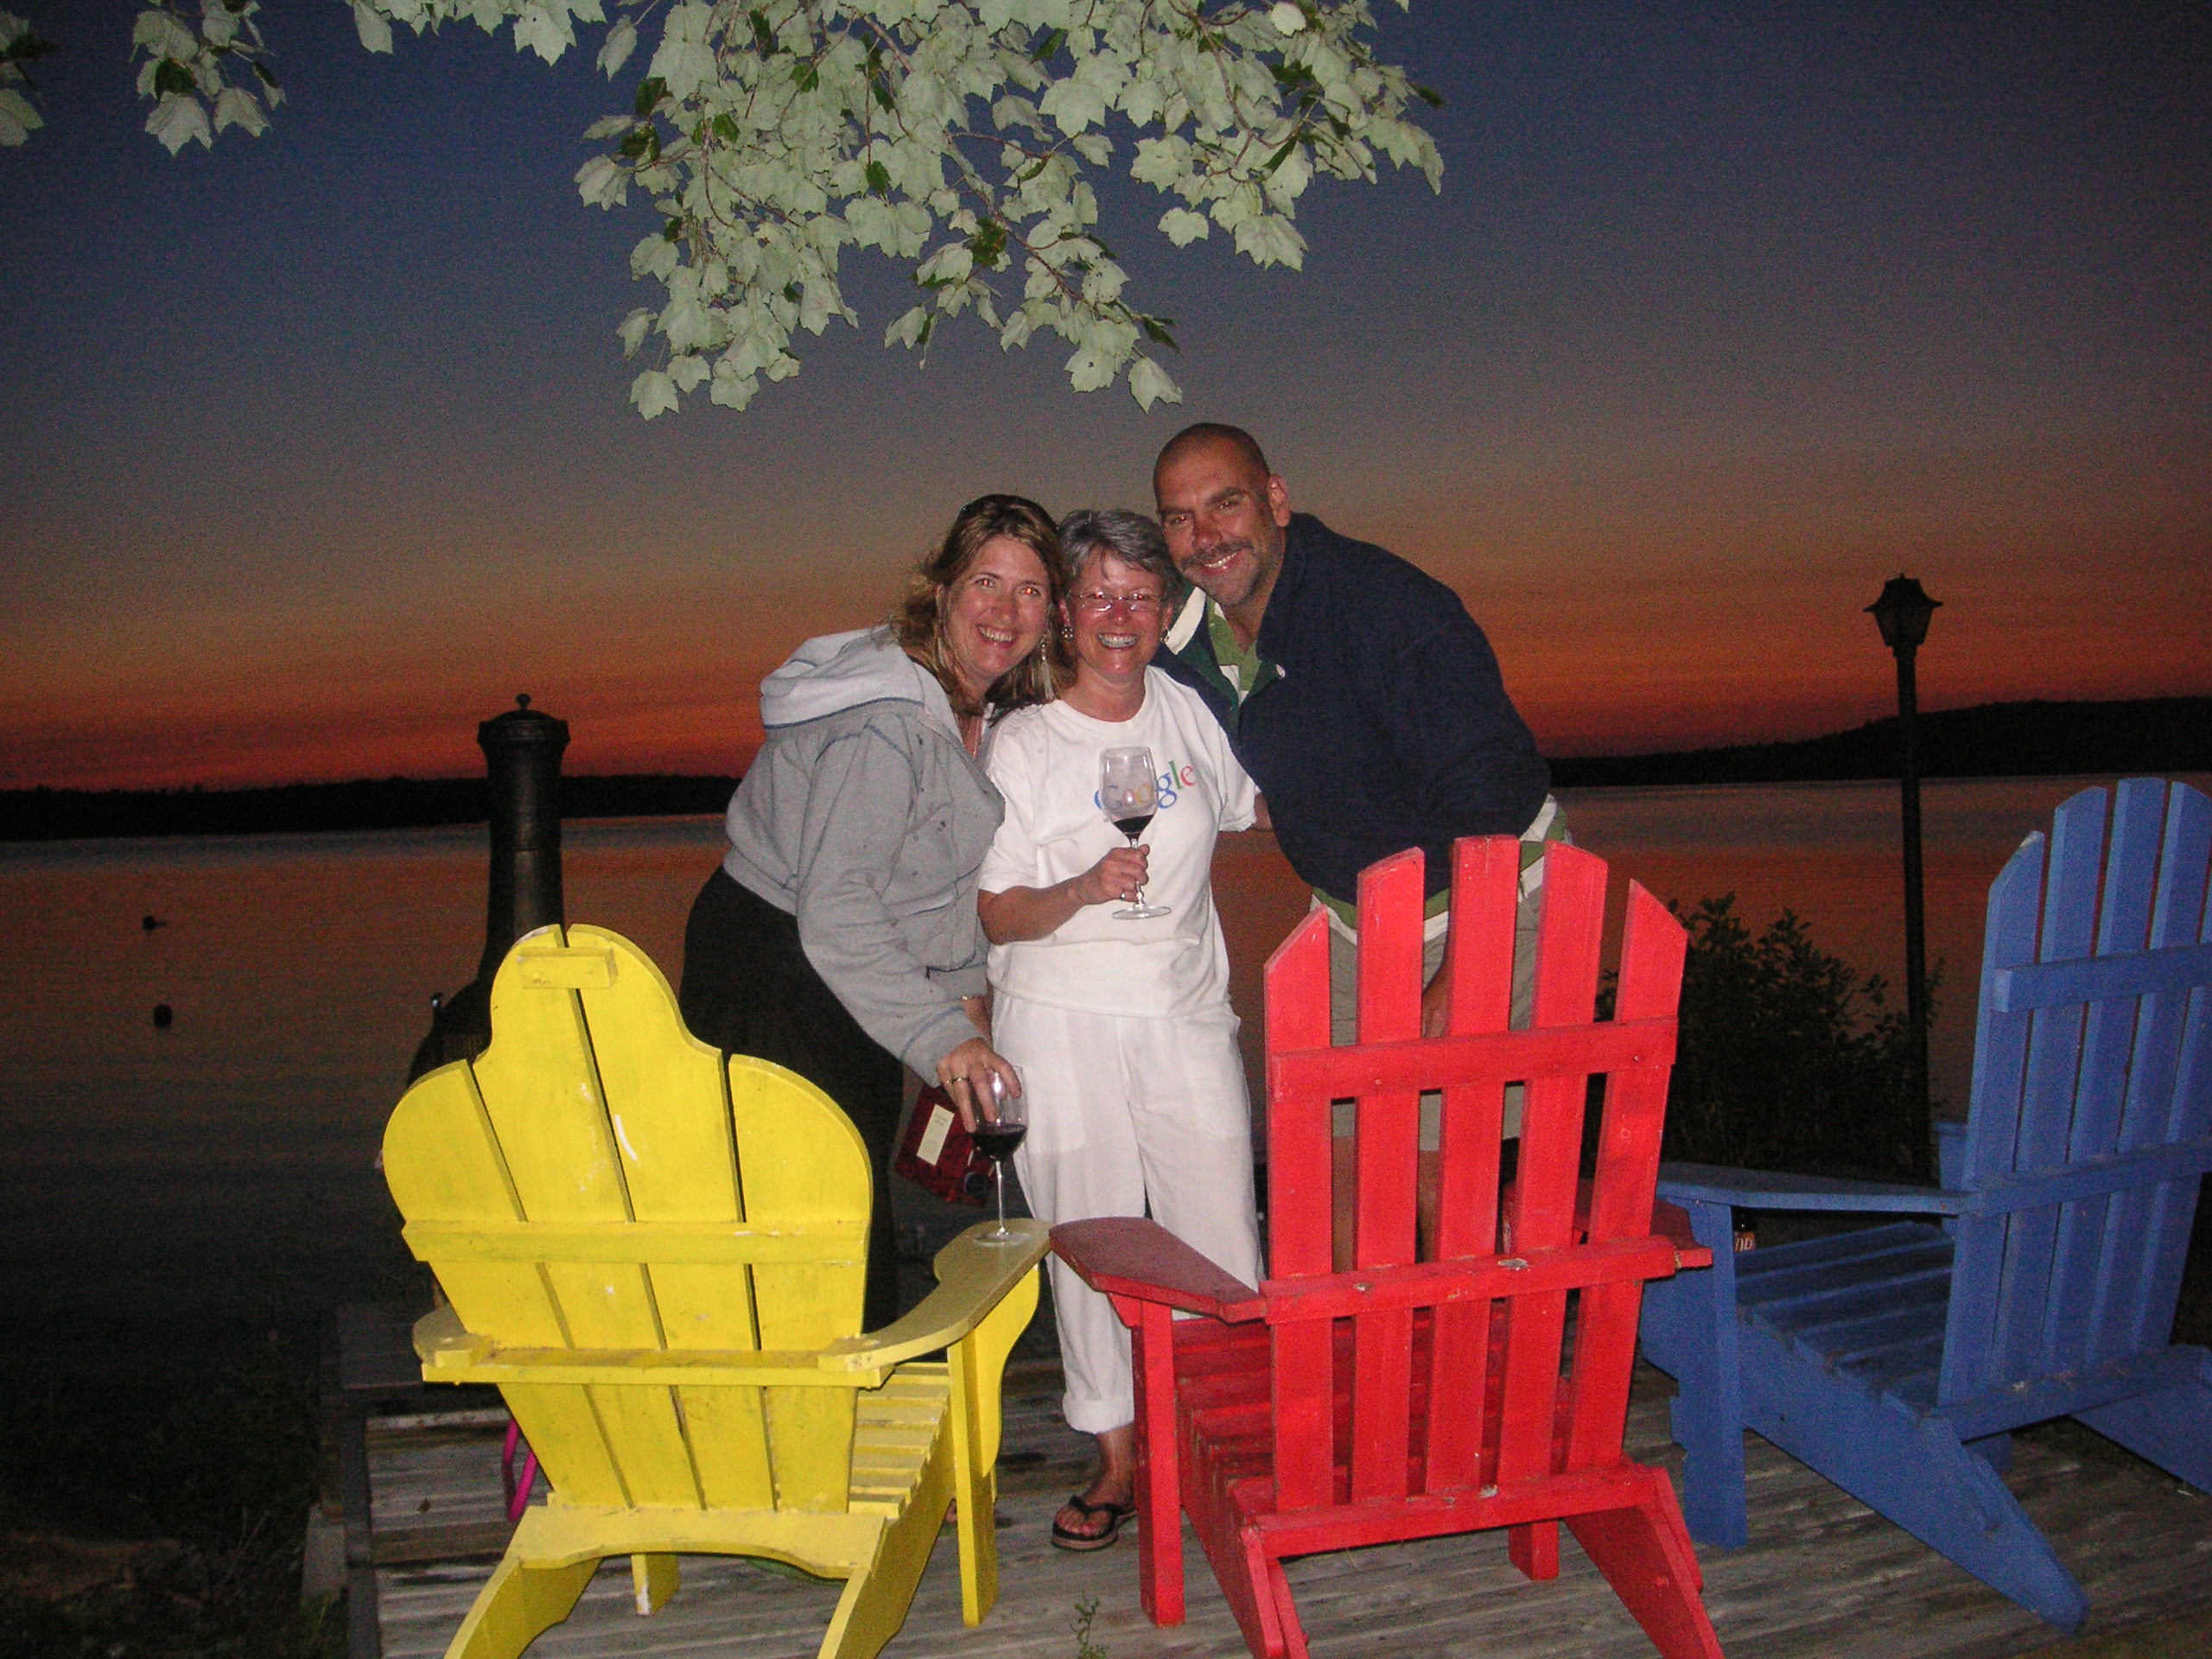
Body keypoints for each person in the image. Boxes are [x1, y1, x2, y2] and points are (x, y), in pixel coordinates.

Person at [679, 494, 1064, 1332]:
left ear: (1051, 613)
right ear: (941, 590)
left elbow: (933, 872)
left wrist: (963, 998)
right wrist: (941, 1039)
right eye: (986, 583)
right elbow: (839, 906)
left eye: (1030, 590)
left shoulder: (970, 708)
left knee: (848, 1202)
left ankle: (833, 1378)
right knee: (811, 1222)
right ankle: (809, 1397)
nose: (1005, 611)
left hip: (838, 968)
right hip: (774, 966)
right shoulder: (887, 725)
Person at [1150, 423, 1566, 1147]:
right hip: (1355, 917)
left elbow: (1488, 786)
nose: (1206, 537)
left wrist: (1465, 969)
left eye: (1226, 504)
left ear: (1276, 500)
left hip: (1480, 901)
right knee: (1332, 1157)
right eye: (1180, 519)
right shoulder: (1191, 633)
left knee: (1437, 1167)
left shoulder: (1385, 608)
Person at [976, 509, 1264, 1551]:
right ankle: (1118, 1458)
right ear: (1065, 609)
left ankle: (1223, 1433)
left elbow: (1259, 803)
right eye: (1097, 593)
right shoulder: (1022, 742)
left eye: (1140, 596)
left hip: (1183, 1013)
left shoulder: (1190, 713)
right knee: (1089, 1241)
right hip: (1057, 1019)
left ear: (1163, 611)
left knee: (1218, 1233)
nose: (1117, 615)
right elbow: (993, 911)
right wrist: (1082, 888)